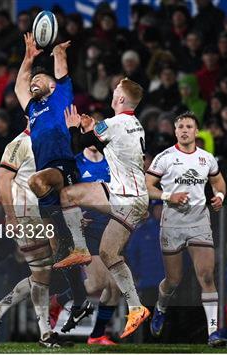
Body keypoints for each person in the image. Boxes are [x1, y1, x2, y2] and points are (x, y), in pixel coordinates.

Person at [57, 78, 150, 339]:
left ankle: (78, 250)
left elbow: (89, 136)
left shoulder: (116, 123)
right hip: (128, 195)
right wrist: (89, 125)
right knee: (108, 253)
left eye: (115, 92)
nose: (112, 94)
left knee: (68, 195)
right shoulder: (134, 124)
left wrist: (77, 126)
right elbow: (99, 136)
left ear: (120, 99)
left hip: (126, 198)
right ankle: (135, 308)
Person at [14, 32, 93, 329]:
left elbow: (60, 70)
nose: (34, 82)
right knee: (61, 256)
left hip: (62, 167)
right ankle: (81, 300)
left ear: (50, 84)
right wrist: (29, 56)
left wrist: (58, 51)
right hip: (50, 176)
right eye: (32, 81)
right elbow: (19, 85)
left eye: (39, 80)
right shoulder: (32, 109)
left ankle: (68, 239)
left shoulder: (59, 95)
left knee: (35, 183)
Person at [0, 126, 67, 348]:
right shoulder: (18, 143)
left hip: (46, 215)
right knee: (42, 272)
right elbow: (2, 182)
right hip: (25, 214)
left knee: (43, 273)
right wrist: (10, 216)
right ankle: (45, 333)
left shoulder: (51, 139)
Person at [145, 111, 227, 347]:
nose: (184, 130)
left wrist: (220, 195)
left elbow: (218, 181)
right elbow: (147, 185)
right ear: (175, 131)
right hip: (172, 224)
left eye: (188, 126)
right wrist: (168, 196)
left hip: (199, 222)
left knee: (207, 276)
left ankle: (213, 332)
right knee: (173, 280)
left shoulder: (207, 158)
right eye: (180, 126)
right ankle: (161, 308)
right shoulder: (165, 157)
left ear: (195, 131)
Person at [50, 114, 121, 345]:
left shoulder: (112, 162)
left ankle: (97, 334)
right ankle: (60, 300)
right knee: (97, 284)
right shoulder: (77, 162)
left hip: (112, 227)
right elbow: (64, 194)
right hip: (87, 228)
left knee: (115, 287)